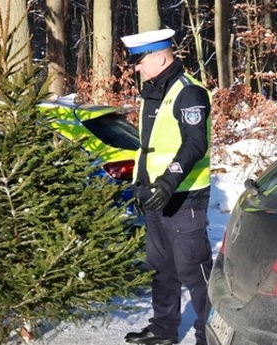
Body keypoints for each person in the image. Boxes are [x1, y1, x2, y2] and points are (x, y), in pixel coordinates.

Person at [120, 29, 213, 345]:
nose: (136, 67)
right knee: (161, 269)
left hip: (185, 197)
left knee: (195, 273)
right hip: (155, 196)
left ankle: (209, 334)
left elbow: (195, 143)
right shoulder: (153, 90)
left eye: (140, 60)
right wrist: (141, 185)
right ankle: (164, 328)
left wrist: (169, 180)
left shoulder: (189, 93)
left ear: (160, 58)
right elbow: (149, 146)